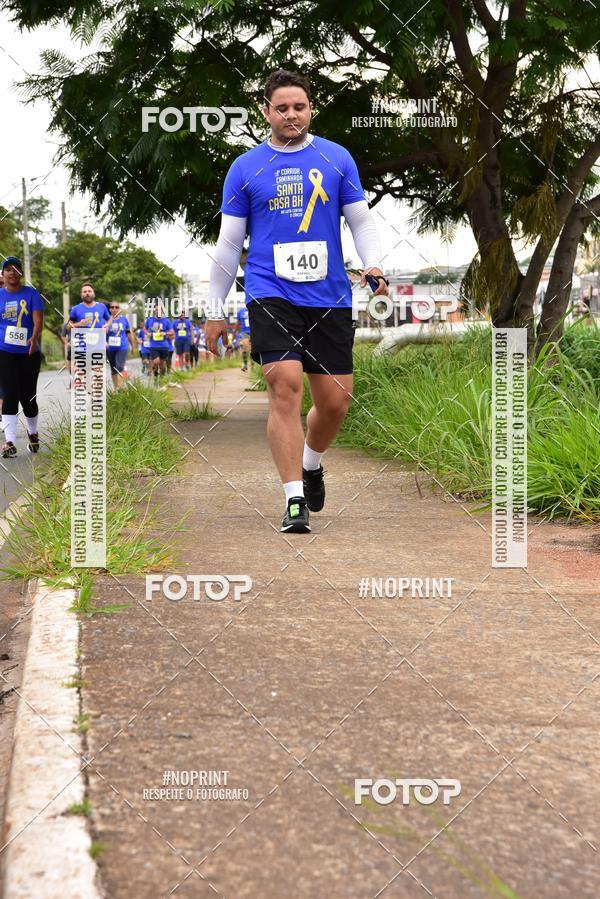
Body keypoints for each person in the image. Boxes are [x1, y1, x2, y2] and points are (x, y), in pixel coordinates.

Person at [205, 69, 388, 533]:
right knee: (284, 384)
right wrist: (215, 310)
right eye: (281, 107)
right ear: (266, 112)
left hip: (328, 294)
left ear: (310, 110)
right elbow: (229, 244)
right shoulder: (245, 168)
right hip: (270, 290)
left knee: (335, 402)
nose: (291, 114)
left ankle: (311, 464)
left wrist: (375, 264)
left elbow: (361, 223)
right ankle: (293, 500)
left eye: (299, 107)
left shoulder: (337, 157)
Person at [0, 257, 44, 458]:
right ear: (3, 274)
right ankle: (9, 442)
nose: (11, 273)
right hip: (4, 351)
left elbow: (38, 320)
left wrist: (34, 338)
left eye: (16, 269)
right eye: (7, 269)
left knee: (28, 397)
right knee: (10, 394)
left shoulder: (32, 294)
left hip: (29, 352)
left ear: (20, 274)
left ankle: (33, 433)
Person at [106, 302, 135, 389]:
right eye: (112, 307)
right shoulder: (106, 320)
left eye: (116, 307)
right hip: (110, 348)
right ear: (110, 309)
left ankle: (120, 388)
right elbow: (102, 333)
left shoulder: (124, 320)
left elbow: (129, 333)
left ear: (119, 309)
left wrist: (132, 345)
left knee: (119, 367)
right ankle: (116, 388)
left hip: (122, 347)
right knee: (113, 369)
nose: (114, 309)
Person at [144, 303, 173, 379]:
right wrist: (148, 333)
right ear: (154, 311)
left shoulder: (166, 321)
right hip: (154, 345)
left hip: (164, 345)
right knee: (156, 362)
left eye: (159, 310)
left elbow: (172, 332)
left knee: (162, 364)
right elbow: (144, 329)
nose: (158, 311)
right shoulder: (150, 320)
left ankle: (162, 378)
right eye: (156, 310)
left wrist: (165, 333)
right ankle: (156, 377)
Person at [236, 300, 251, 371]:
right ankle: (245, 364)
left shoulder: (255, 309)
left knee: (253, 349)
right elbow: (238, 323)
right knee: (245, 347)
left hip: (254, 331)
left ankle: (253, 365)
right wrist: (235, 332)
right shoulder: (240, 311)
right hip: (245, 332)